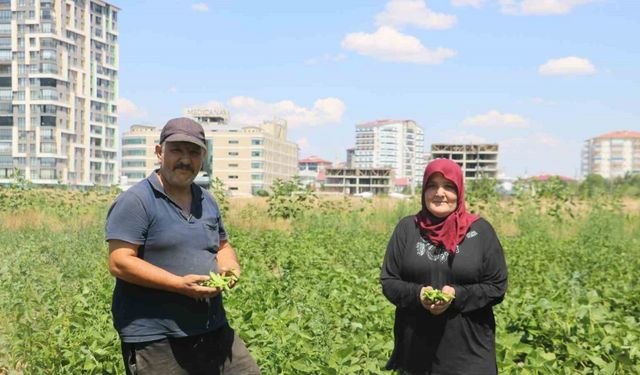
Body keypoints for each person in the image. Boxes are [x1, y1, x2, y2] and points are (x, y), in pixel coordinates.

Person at [105, 117, 261, 375]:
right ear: (159, 152)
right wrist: (178, 285)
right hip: (157, 337)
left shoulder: (206, 200)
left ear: (203, 157)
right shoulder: (137, 200)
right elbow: (120, 262)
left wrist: (230, 267)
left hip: (213, 328)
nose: (185, 159)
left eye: (193, 152)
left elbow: (222, 245)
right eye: (177, 150)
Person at [380, 158, 508, 375]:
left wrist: (457, 295)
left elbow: (497, 286)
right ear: (423, 190)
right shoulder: (407, 229)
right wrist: (418, 294)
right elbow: (389, 281)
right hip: (417, 354)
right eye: (432, 186)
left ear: (459, 191)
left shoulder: (480, 231)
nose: (440, 193)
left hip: (469, 353)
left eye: (448, 186)